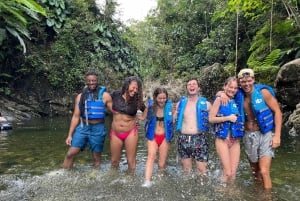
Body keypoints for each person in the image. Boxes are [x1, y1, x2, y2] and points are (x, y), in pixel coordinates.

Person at [220, 68, 282, 189]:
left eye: (249, 80)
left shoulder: (264, 93)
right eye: (243, 81)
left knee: (264, 171)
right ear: (239, 82)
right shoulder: (238, 95)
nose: (246, 84)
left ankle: (268, 197)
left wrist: (277, 135)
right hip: (249, 135)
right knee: (256, 172)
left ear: (253, 80)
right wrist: (221, 94)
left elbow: (277, 112)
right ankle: (258, 194)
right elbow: (224, 92)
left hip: (265, 134)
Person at [62, 71, 112, 169]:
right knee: (70, 154)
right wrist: (69, 135)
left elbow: (116, 112)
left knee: (96, 158)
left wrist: (130, 119)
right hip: (83, 127)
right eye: (89, 81)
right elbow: (76, 116)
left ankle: (95, 178)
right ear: (86, 82)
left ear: (97, 81)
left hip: (98, 128)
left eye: (93, 80)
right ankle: (65, 174)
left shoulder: (105, 96)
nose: (91, 83)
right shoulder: (80, 96)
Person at [209, 77, 244, 184]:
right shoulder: (219, 99)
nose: (232, 90)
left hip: (235, 140)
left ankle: (231, 194)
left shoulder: (237, 99)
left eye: (235, 88)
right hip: (222, 139)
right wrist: (227, 118)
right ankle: (221, 194)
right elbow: (211, 119)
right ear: (225, 86)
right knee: (227, 172)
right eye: (230, 87)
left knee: (233, 174)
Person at [109, 76, 146, 173]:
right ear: (126, 85)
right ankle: (112, 181)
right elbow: (105, 99)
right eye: (133, 87)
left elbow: (145, 109)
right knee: (114, 161)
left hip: (130, 133)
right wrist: (110, 109)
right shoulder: (115, 94)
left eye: (137, 89)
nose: (135, 91)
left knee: (131, 161)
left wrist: (141, 117)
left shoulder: (137, 100)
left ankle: (130, 182)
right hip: (115, 133)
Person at [175, 78, 212, 174]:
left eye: (194, 84)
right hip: (183, 139)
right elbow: (172, 118)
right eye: (189, 84)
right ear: (186, 88)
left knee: (202, 171)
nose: (191, 86)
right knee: (186, 172)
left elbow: (215, 119)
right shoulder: (180, 104)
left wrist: (221, 94)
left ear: (198, 88)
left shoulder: (207, 105)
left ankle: (202, 188)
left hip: (199, 138)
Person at [141, 87, 174, 187]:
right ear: (155, 98)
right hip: (153, 136)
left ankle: (160, 180)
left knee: (162, 163)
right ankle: (147, 181)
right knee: (151, 157)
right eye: (160, 98)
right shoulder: (150, 107)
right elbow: (142, 117)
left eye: (164, 98)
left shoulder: (171, 107)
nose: (162, 100)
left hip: (165, 137)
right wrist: (130, 118)